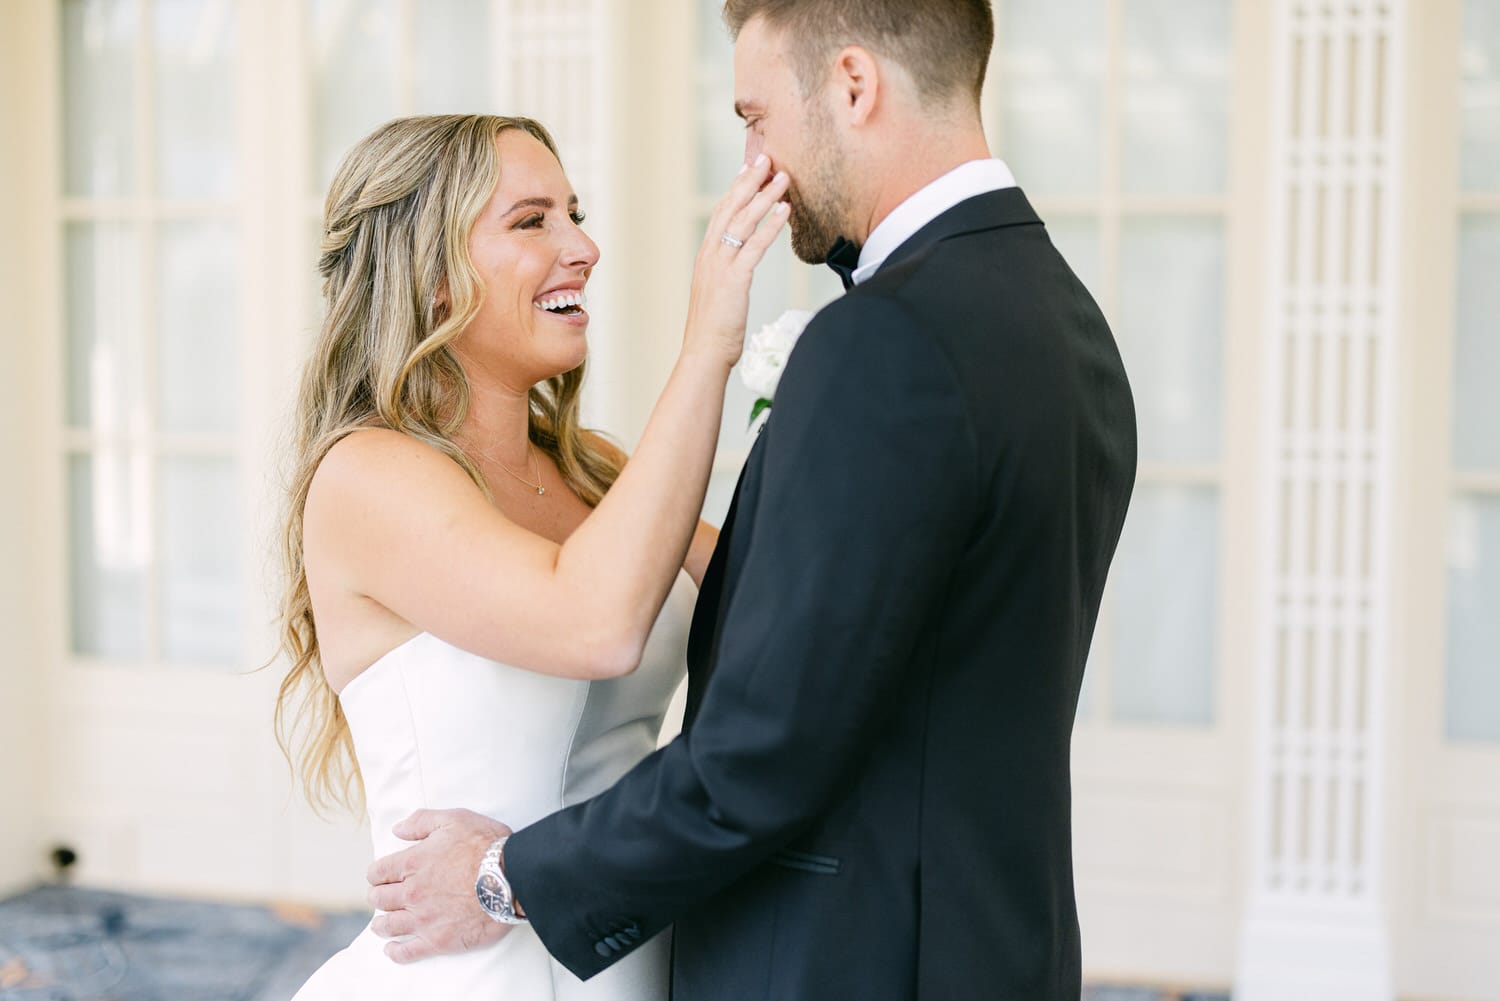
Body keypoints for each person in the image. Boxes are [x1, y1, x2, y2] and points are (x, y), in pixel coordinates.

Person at [365, 0, 1139, 997]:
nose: (754, 160)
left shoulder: (887, 342)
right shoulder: (1064, 321)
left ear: (854, 86)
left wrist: (501, 874)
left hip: (852, 960)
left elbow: (764, 746)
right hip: (988, 942)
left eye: (756, 115)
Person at [277, 113, 789, 1000]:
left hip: (634, 951)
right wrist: (709, 345)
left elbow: (774, 609)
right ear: (431, 276)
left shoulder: (593, 472)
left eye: (573, 213)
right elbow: (594, 624)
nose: (584, 246)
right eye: (531, 221)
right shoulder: (367, 474)